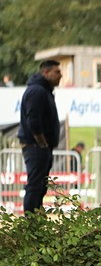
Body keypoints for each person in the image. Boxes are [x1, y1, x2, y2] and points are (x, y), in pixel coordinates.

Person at [17, 59, 62, 213]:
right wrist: (42, 142)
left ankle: (36, 218)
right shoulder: (37, 91)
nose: (60, 75)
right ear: (46, 72)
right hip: (36, 146)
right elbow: (33, 121)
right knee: (35, 185)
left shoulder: (44, 91)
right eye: (57, 72)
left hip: (41, 146)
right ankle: (30, 222)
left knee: (40, 185)